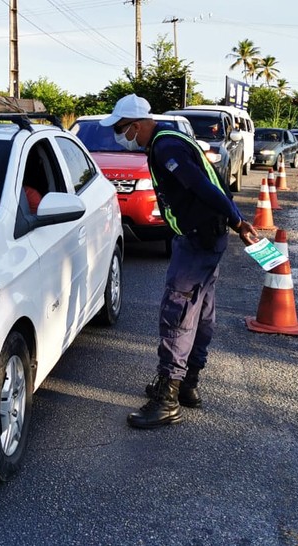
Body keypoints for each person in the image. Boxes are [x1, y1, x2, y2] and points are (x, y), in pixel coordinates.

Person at [99, 94, 259, 429]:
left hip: (199, 238)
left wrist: (238, 221)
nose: (120, 135)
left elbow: (203, 187)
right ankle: (188, 384)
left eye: (122, 128)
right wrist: (234, 221)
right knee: (201, 311)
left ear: (138, 124)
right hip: (207, 237)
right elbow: (210, 184)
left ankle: (167, 397)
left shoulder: (165, 147)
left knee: (179, 311)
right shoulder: (171, 139)